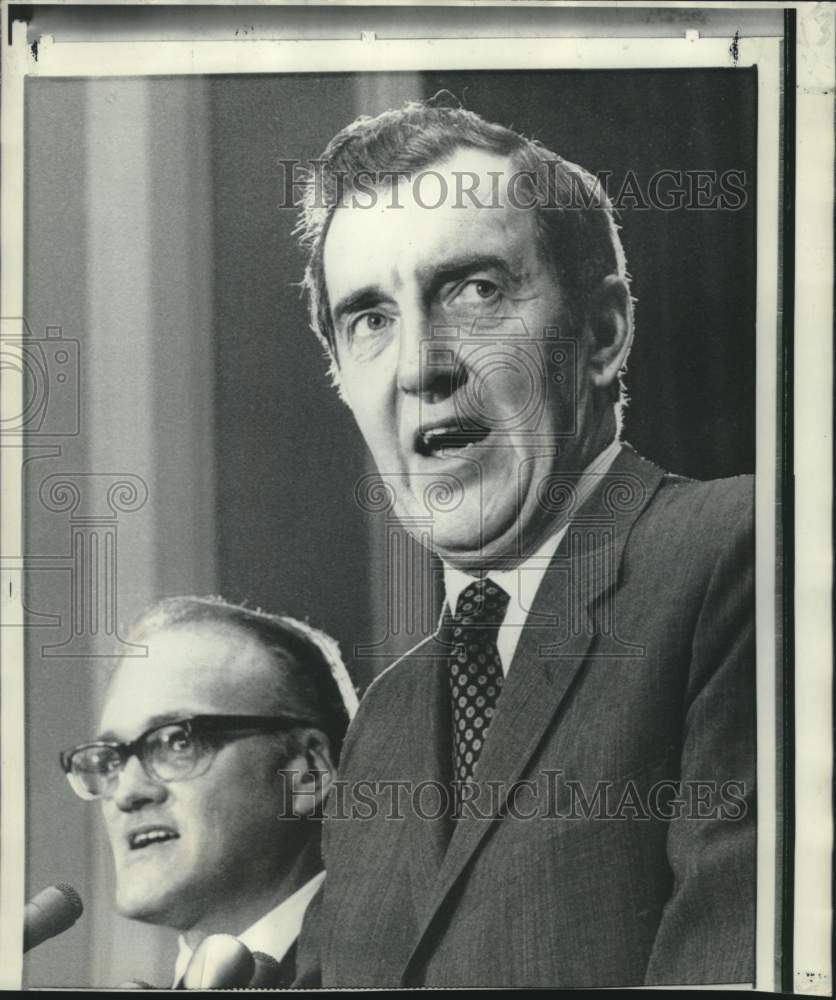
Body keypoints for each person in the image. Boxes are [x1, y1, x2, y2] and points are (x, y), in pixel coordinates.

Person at [292, 100, 756, 988]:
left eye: (474, 290)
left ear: (605, 333)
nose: (421, 364)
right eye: (371, 319)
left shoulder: (735, 556)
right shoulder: (387, 717)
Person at [59, 596, 357, 987]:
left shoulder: (389, 973)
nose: (127, 793)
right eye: (110, 759)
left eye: (176, 742)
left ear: (307, 774)